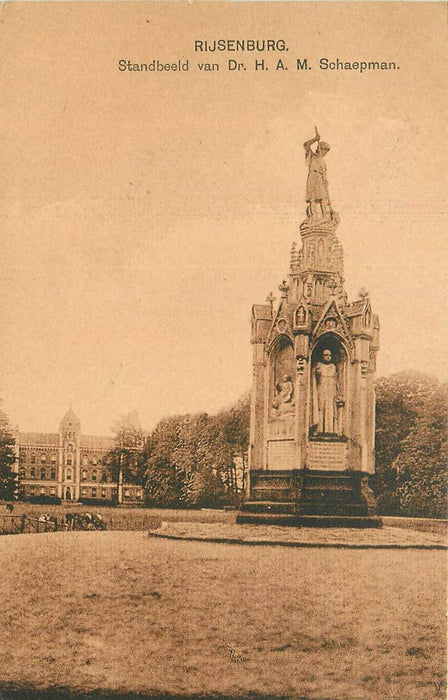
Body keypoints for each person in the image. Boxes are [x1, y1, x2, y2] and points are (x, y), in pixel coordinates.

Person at [303, 127, 332, 219]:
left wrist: (325, 181)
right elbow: (306, 145)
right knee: (313, 198)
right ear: (320, 149)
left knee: (323, 198)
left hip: (320, 179)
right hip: (313, 177)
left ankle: (325, 217)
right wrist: (315, 139)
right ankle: (314, 217)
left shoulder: (323, 163)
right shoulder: (312, 157)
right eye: (324, 150)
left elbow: (324, 175)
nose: (325, 153)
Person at [312, 349, 340, 434]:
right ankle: (319, 429)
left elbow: (336, 380)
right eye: (326, 355)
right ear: (322, 356)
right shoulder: (318, 365)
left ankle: (330, 430)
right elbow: (313, 378)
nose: (328, 357)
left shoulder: (333, 367)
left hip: (331, 391)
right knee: (321, 408)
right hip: (322, 389)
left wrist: (338, 392)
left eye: (329, 355)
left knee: (331, 409)